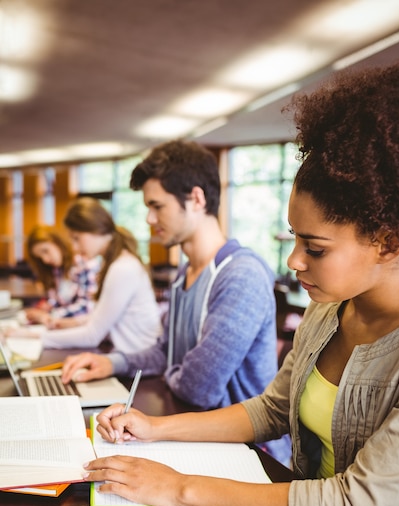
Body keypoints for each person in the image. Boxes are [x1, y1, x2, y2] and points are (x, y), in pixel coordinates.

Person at [82, 63, 399, 506]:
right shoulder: (330, 311)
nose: (293, 261)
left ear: (389, 242)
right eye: (293, 237)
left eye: (315, 248)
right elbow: (272, 410)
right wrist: (153, 428)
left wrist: (179, 488)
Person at [62, 140, 278, 409]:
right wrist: (112, 363)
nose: (149, 219)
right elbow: (166, 354)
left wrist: (173, 374)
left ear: (196, 199)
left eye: (157, 206)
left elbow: (198, 388)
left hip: (247, 447)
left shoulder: (240, 275)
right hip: (194, 426)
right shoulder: (185, 273)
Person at [40, 197, 161, 352]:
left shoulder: (122, 268)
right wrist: (75, 323)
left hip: (138, 364)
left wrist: (37, 338)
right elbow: (105, 316)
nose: (75, 248)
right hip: (127, 357)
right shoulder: (115, 262)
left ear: (95, 229)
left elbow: (91, 336)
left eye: (77, 238)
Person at [25, 224, 100, 329]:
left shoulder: (85, 264)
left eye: (46, 251)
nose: (45, 260)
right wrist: (46, 308)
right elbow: (61, 300)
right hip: (64, 329)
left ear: (58, 242)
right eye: (40, 257)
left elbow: (86, 308)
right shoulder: (57, 270)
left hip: (84, 331)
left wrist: (49, 316)